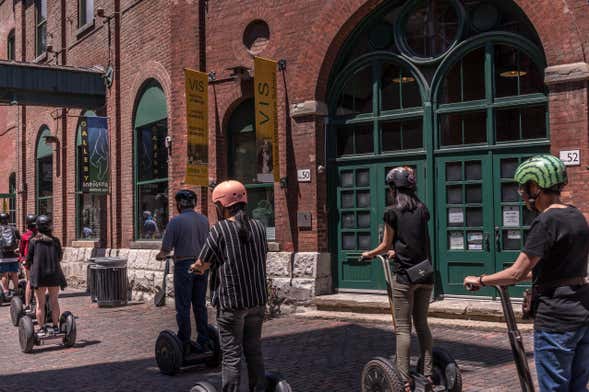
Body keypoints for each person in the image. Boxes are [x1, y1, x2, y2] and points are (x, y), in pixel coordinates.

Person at [464, 154, 589, 392]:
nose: (521, 194)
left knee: (555, 387)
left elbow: (517, 273)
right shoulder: (577, 216)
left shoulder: (546, 221)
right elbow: (555, 268)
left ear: (537, 187)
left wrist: (480, 280)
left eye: (524, 187)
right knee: (578, 386)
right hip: (582, 313)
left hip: (556, 318)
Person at [361, 167, 434, 392]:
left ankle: (403, 380)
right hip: (425, 273)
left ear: (393, 188)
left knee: (403, 328)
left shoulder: (391, 212)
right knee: (422, 324)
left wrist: (368, 254)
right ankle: (428, 374)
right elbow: (414, 240)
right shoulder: (422, 209)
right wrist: (397, 251)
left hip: (405, 276)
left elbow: (385, 244)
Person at [191, 180, 268, 392]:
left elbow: (202, 263)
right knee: (254, 351)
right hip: (257, 300)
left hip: (231, 302)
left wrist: (195, 268)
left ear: (221, 206)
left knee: (232, 356)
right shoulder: (260, 228)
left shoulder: (220, 229)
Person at [156, 189, 210, 355]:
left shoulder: (175, 221)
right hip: (202, 265)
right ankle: (204, 340)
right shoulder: (204, 220)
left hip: (184, 264)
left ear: (179, 204)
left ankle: (184, 341)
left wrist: (160, 256)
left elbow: (166, 248)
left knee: (183, 306)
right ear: (194, 204)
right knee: (200, 305)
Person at [25, 215, 67, 335]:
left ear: (37, 227)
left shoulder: (33, 241)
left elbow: (28, 259)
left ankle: (42, 329)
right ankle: (55, 326)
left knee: (40, 303)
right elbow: (59, 257)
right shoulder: (55, 241)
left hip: (39, 276)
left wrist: (27, 264)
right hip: (53, 274)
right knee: (54, 301)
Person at [19, 214, 37, 310]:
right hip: (39, 262)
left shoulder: (25, 236)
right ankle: (40, 304)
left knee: (29, 281)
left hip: (28, 262)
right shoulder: (41, 235)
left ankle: (27, 305)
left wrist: (21, 259)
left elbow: (21, 251)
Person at [0, 212, 20, 300]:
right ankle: (16, 290)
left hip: (2, 256)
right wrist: (16, 248)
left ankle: (5, 291)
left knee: (4, 274)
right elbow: (19, 239)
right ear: (8, 219)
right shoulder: (14, 229)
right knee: (14, 273)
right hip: (13, 255)